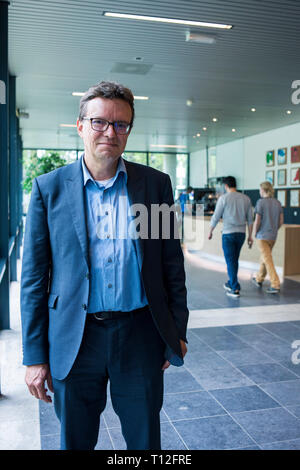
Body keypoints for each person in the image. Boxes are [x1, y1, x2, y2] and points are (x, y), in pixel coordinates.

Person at [20, 80, 189, 450]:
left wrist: (177, 329)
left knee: (145, 441)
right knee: (76, 441)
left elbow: (169, 263)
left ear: (129, 130)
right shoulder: (50, 189)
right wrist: (34, 356)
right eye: (99, 122)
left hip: (141, 335)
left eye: (120, 124)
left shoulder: (153, 186)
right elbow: (33, 279)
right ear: (80, 125)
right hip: (74, 339)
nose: (109, 132)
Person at [208, 176, 253, 298]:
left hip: (228, 234)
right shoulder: (246, 199)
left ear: (226, 186)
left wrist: (210, 231)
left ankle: (235, 288)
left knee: (230, 261)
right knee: (234, 260)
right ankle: (231, 282)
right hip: (241, 234)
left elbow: (216, 216)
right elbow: (250, 220)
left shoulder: (224, 198)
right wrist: (250, 236)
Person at [252, 181, 284, 294]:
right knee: (265, 257)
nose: (259, 191)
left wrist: (254, 233)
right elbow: (281, 221)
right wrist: (274, 229)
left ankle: (275, 284)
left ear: (264, 190)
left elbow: (257, 221)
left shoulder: (260, 202)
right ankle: (259, 278)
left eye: (260, 189)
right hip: (273, 236)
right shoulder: (278, 203)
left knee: (268, 260)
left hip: (262, 236)